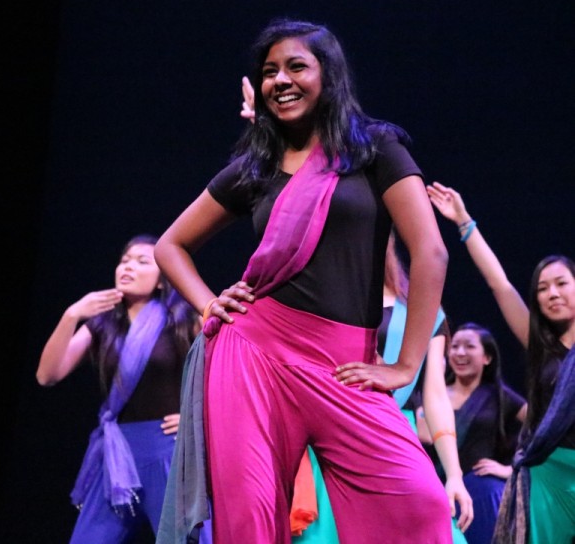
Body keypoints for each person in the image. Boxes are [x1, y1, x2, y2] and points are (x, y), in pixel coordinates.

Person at [153, 17, 453, 544]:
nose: (280, 80)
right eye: (269, 71)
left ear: (328, 75)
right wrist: (208, 305)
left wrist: (407, 364)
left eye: (296, 66)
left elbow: (430, 251)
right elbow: (169, 246)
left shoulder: (375, 148)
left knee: (419, 504)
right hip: (253, 356)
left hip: (344, 364)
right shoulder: (257, 167)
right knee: (249, 519)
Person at [238, 78, 473, 542]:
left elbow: (436, 395)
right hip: (316, 425)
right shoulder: (328, 300)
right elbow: (286, 205)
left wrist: (455, 475)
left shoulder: (421, 310)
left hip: (382, 430)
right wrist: (262, 126)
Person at [37, 234, 211, 544]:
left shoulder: (182, 319)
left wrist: (198, 416)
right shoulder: (103, 324)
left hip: (166, 447)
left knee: (182, 540)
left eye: (142, 262)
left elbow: (226, 369)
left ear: (162, 280)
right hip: (117, 454)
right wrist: (72, 314)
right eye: (124, 260)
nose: (127, 267)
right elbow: (47, 375)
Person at [426, 182, 574, 544]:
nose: (552, 293)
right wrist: (464, 223)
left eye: (561, 284)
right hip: (550, 473)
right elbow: (499, 283)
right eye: (542, 288)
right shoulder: (541, 346)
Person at [415, 322, 526, 544]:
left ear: (487, 358)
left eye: (469, 346)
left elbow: (543, 426)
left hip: (483, 491)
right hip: (438, 490)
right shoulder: (430, 397)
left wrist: (511, 469)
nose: (460, 352)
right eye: (454, 346)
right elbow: (425, 437)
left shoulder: (501, 397)